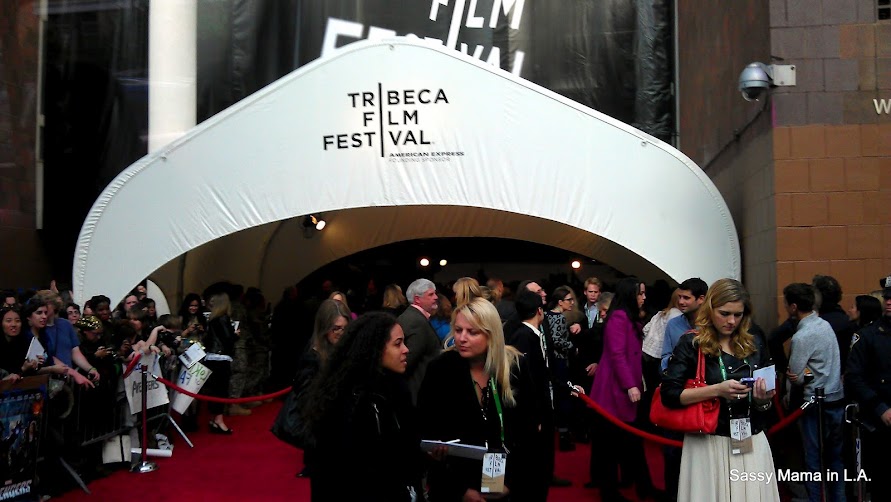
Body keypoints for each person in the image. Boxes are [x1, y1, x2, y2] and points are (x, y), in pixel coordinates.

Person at [661, 278, 779, 501]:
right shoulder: (692, 343)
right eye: (724, 313)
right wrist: (716, 390)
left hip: (751, 438)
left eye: (738, 314)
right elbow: (669, 395)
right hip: (708, 443)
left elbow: (765, 402)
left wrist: (763, 399)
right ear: (710, 308)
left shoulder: (754, 342)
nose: (731, 321)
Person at [419, 298, 542, 502]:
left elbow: (529, 431)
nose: (462, 338)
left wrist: (511, 484)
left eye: (472, 332)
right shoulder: (440, 369)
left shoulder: (514, 366)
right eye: (458, 330)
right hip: (455, 481)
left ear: (491, 334)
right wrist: (460, 490)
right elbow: (426, 427)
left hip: (505, 480)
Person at [302, 312, 423, 502]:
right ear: (375, 349)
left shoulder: (396, 387)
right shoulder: (344, 399)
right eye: (397, 344)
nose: (406, 350)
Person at [588, 277, 654, 501]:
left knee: (629, 442)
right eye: (640, 293)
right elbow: (617, 354)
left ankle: (641, 486)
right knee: (611, 445)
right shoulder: (619, 317)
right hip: (614, 390)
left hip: (623, 389)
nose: (644, 297)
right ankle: (613, 491)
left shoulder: (628, 317)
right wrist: (630, 385)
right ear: (629, 295)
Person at [782, 283, 845, 502]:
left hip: (814, 404)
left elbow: (796, 376)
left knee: (813, 460)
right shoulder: (825, 325)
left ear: (793, 306)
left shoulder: (802, 336)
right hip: (836, 397)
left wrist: (803, 374)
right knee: (835, 459)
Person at [291, 299, 351, 478]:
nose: (340, 333)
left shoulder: (343, 352)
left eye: (344, 328)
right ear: (324, 328)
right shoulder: (312, 356)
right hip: (323, 435)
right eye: (336, 328)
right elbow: (306, 401)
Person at [844, 275, 891, 500]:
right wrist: (881, 408)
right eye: (887, 297)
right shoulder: (868, 335)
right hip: (881, 419)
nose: (889, 301)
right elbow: (854, 377)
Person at [397, 278, 441, 403]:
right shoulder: (416, 321)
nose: (436, 297)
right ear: (417, 299)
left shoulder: (413, 316)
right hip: (419, 393)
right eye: (431, 294)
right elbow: (407, 361)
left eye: (435, 293)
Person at [201, 293, 239, 434]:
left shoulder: (212, 320)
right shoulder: (223, 318)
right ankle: (218, 420)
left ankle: (213, 419)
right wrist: (235, 335)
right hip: (221, 358)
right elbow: (228, 338)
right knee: (221, 390)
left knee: (214, 390)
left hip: (211, 357)